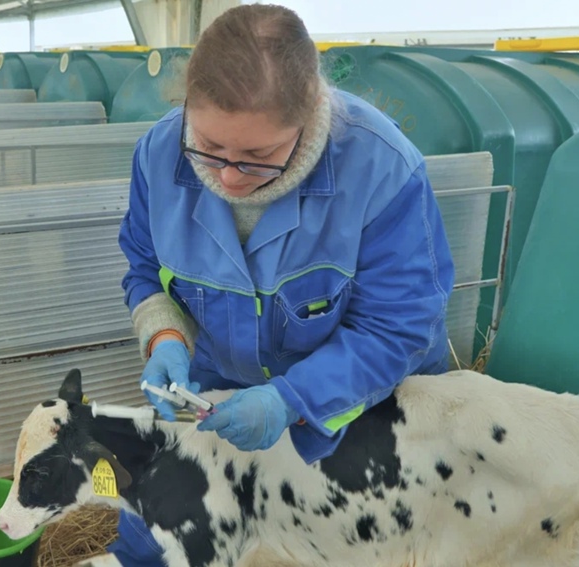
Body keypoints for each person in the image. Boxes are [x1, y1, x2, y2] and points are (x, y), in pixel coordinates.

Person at [112, 3, 455, 565]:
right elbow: (144, 265)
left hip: (359, 403)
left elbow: (398, 326)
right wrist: (164, 338)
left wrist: (293, 400)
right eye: (209, 146)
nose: (226, 176)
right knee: (154, 540)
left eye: (257, 156)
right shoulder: (158, 154)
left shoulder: (381, 168)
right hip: (223, 391)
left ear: (312, 110)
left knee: (344, 542)